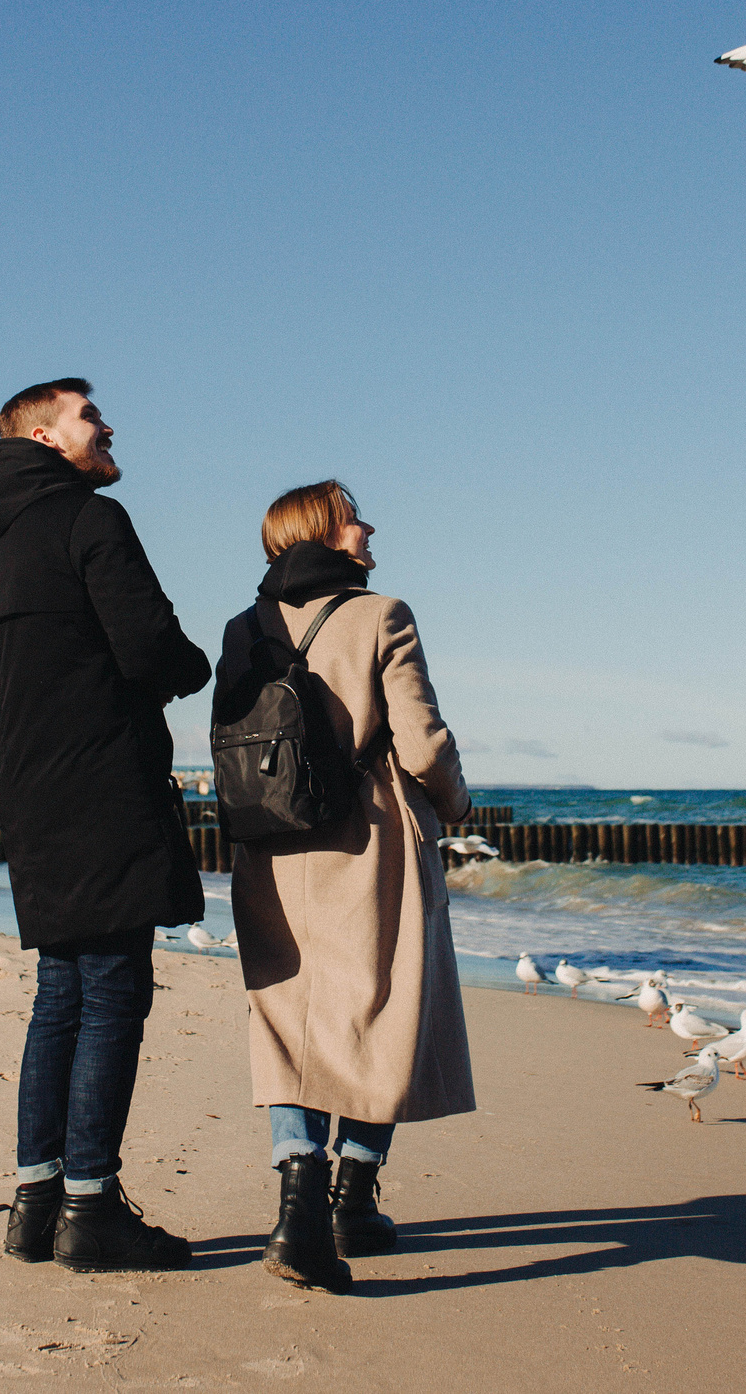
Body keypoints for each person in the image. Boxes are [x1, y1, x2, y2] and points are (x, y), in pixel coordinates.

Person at [0, 378, 212, 1274]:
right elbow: (150, 647)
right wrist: (195, 666)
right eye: (89, 416)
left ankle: (37, 1202)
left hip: (31, 794)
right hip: (105, 787)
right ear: (43, 434)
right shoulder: (90, 522)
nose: (107, 426)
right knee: (111, 990)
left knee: (60, 992)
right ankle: (92, 1205)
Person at [215, 480, 474, 1293]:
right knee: (380, 1009)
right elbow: (421, 740)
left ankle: (296, 1202)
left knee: (289, 1014)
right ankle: (351, 1197)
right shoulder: (382, 612)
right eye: (356, 514)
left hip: (268, 842)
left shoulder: (244, 625)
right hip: (366, 838)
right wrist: (457, 803)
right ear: (325, 532)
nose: (370, 526)